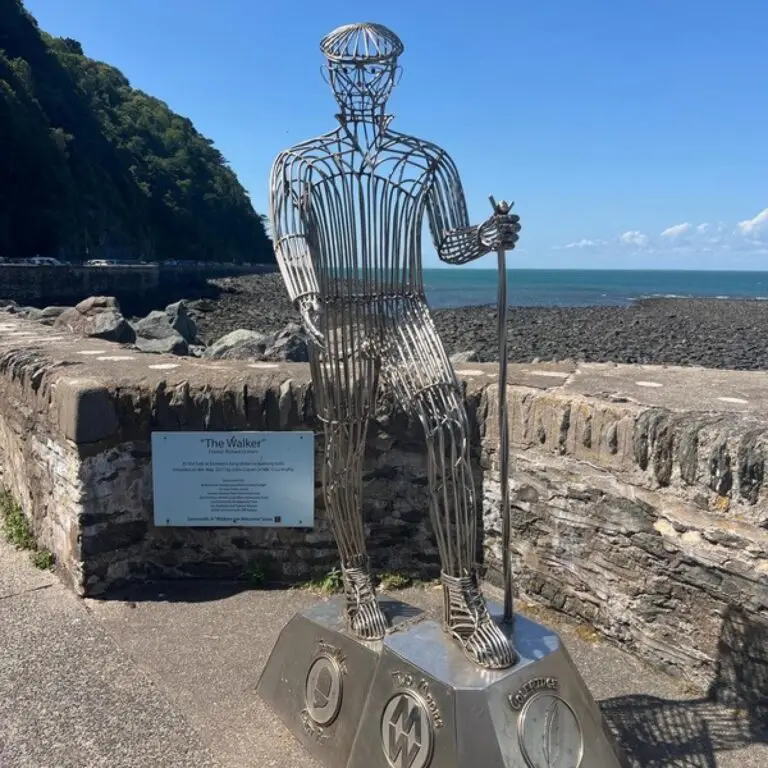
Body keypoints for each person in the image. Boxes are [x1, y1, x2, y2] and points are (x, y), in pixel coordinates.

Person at [270, 22, 521, 669]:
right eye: (349, 68)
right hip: (340, 314)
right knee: (344, 445)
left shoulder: (427, 161)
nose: (361, 78)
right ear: (331, 73)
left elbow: (451, 246)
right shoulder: (297, 163)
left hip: (405, 312)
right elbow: (290, 239)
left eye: (375, 68)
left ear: (392, 75)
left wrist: (490, 233)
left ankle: (461, 598)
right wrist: (305, 297)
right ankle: (356, 581)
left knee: (447, 426)